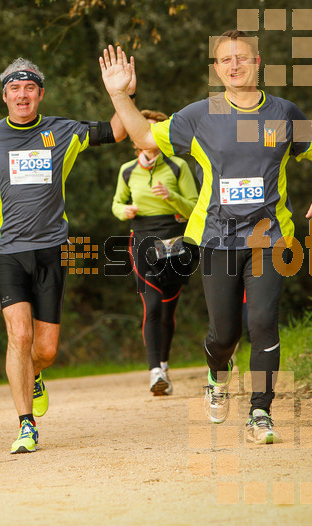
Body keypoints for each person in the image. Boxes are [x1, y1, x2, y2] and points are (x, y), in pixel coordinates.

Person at [100, 31, 312, 445]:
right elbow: (144, 138)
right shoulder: (200, 115)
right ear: (215, 69)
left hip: (270, 237)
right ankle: (216, 374)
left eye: (241, 58)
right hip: (215, 239)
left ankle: (260, 412)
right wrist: (121, 98)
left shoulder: (283, 112)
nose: (233, 65)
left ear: (258, 62)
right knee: (223, 334)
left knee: (263, 322)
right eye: (225, 60)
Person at [0, 58, 128, 453]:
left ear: (40, 94)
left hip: (53, 251)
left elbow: (117, 131)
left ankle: (34, 376)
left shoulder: (64, 130)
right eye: (14, 89)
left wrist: (120, 92)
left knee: (45, 349)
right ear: (5, 96)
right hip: (7, 251)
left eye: (29, 88)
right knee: (19, 334)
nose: (22, 95)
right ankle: (25, 425)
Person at [111, 109, 198, 396]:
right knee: (152, 305)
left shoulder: (177, 167)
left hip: (175, 242)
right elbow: (116, 203)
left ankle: (163, 363)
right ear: (134, 138)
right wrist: (125, 210)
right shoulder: (127, 170)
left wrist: (171, 197)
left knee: (168, 308)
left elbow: (195, 207)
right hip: (142, 241)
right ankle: (154, 372)